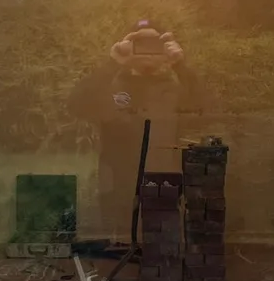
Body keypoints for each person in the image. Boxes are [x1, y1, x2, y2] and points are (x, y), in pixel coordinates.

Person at [68, 20, 207, 244]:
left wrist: (180, 65)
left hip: (165, 185)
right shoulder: (111, 86)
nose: (147, 50)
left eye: (154, 44)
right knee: (120, 249)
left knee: (162, 250)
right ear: (128, 46)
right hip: (118, 188)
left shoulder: (175, 88)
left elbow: (207, 107)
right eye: (140, 43)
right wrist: (113, 62)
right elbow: (76, 105)